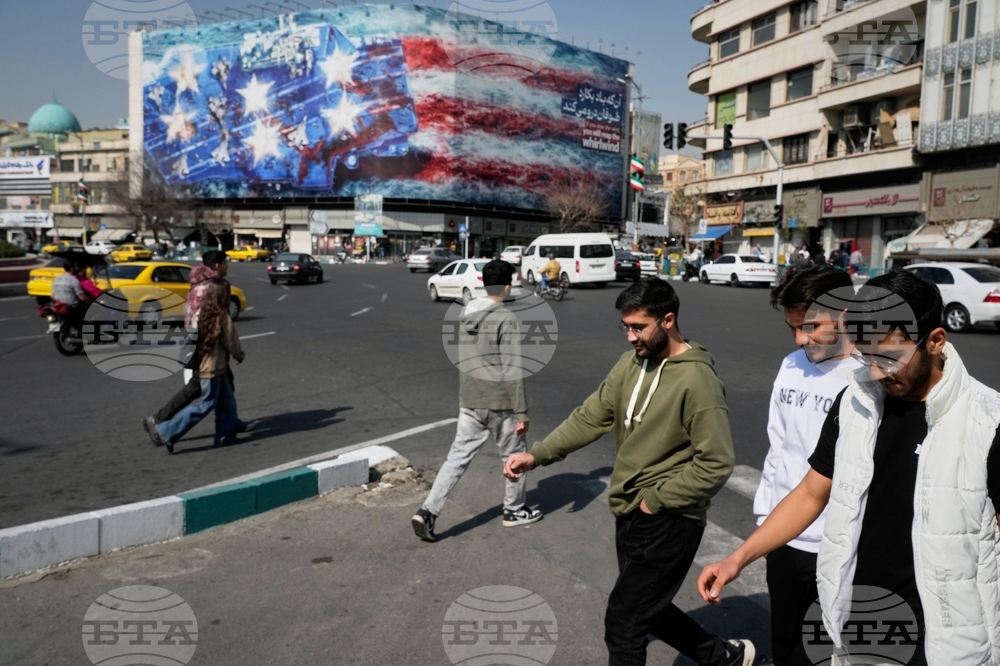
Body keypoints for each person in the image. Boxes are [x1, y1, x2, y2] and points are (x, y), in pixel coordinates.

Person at [698, 271, 1000, 666]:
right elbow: (811, 493)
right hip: (861, 615)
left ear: (935, 341)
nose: (875, 372)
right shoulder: (855, 402)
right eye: (866, 357)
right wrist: (738, 558)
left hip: (943, 635)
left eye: (888, 357)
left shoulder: (987, 420)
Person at [503, 279, 754, 666]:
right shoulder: (630, 364)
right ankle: (723, 657)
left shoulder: (697, 381)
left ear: (667, 320)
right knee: (645, 607)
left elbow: (716, 462)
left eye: (639, 327)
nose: (630, 337)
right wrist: (537, 456)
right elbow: (591, 416)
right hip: (631, 512)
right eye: (626, 327)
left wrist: (656, 501)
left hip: (670, 519)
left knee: (623, 623)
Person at [755, 265, 855, 666]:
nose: (801, 339)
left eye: (812, 326)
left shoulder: (871, 375)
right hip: (783, 534)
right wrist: (765, 519)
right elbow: (777, 447)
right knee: (787, 645)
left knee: (832, 651)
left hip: (839, 547)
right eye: (793, 328)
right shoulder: (791, 365)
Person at [412, 260, 541, 542]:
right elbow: (512, 367)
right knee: (513, 457)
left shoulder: (466, 312)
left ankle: (428, 510)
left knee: (456, 459)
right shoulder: (505, 318)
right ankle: (514, 510)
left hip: (469, 398)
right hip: (500, 403)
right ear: (507, 286)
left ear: (484, 282)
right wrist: (521, 412)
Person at [144, 251, 248, 444]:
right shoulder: (217, 306)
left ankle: (226, 434)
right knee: (205, 400)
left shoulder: (198, 291)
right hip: (211, 359)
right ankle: (164, 429)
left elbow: (192, 319)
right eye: (225, 263)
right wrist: (238, 354)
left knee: (226, 397)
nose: (227, 266)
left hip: (203, 349)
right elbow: (230, 338)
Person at [51, 259, 99, 324]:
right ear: (72, 268)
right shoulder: (74, 280)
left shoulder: (56, 279)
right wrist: (92, 303)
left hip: (58, 305)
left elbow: (52, 295)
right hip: (72, 307)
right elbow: (82, 297)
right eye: (75, 267)